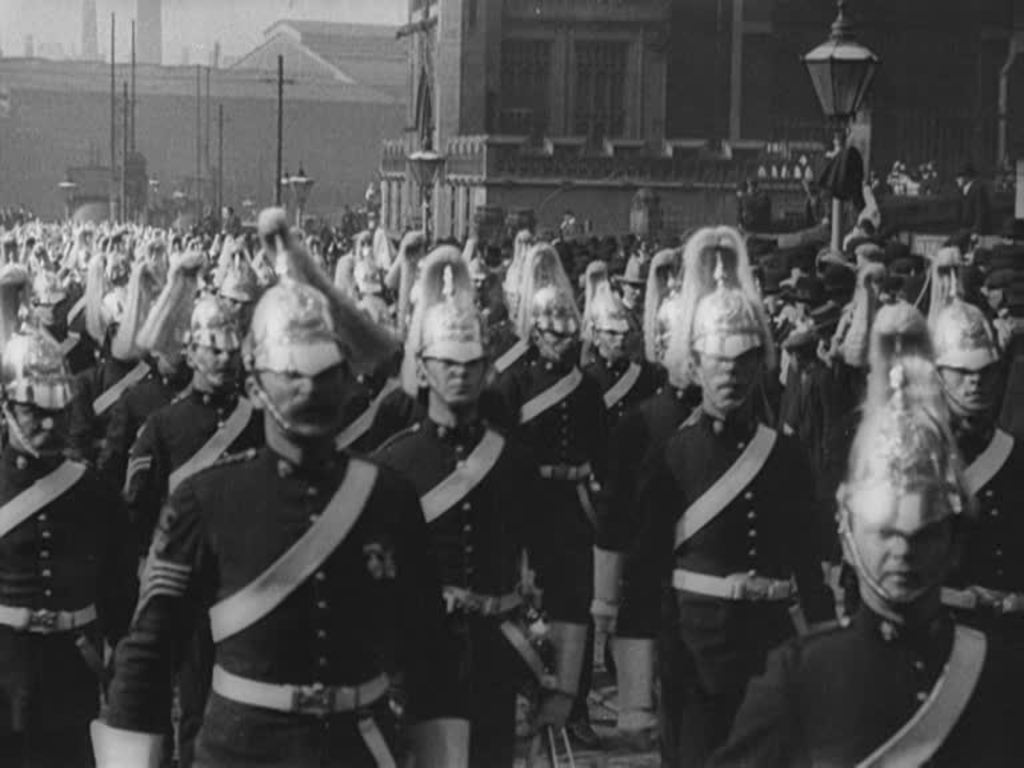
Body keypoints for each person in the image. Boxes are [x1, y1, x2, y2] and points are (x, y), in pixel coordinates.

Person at [93, 252, 468, 767]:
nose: (309, 390)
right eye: (290, 375)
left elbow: (430, 654)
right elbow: (148, 657)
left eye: (324, 375)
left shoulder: (390, 499)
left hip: (358, 749)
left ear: (345, 382)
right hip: (242, 750)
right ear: (255, 387)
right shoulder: (204, 501)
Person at [711, 303, 1024, 766]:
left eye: (922, 535)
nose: (903, 552)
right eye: (885, 533)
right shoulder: (802, 676)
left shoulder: (999, 674)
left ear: (952, 545)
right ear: (850, 538)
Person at [629, 226, 834, 766]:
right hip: (693, 655)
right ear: (695, 364)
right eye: (719, 361)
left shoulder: (783, 455)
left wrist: (825, 647)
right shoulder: (671, 456)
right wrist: (636, 689)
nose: (732, 373)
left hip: (770, 653)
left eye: (744, 360)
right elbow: (646, 572)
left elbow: (807, 562)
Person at [374, 247, 553, 766]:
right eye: (447, 365)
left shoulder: (513, 460)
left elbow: (547, 559)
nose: (461, 375)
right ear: (423, 369)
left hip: (496, 655)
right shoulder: (394, 464)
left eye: (472, 365)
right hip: (420, 657)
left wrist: (554, 665)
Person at [0, 307, 137, 767]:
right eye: (32, 412)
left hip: (70, 674)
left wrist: (121, 662)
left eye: (57, 412)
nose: (48, 424)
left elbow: (119, 585)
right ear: (6, 407)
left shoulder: (93, 491)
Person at [492, 242, 607, 748]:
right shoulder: (515, 383)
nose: (560, 342)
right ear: (535, 333)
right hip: (531, 504)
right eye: (551, 333)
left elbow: (600, 452)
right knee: (529, 610)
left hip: (573, 507)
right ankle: (528, 695)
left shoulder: (585, 388)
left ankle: (575, 705)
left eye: (567, 332)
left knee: (575, 607)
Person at [930, 299, 1024, 642]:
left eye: (985, 372)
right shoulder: (918, 455)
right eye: (963, 372)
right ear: (938, 374)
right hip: (941, 631)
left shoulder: (1014, 455)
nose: (976, 382)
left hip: (1008, 634)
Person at [956, 162, 993, 237]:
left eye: (959, 177)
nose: (957, 180)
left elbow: (980, 211)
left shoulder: (978, 189)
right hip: (965, 230)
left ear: (966, 176)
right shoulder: (963, 190)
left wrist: (976, 230)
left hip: (975, 232)